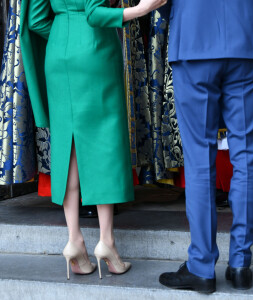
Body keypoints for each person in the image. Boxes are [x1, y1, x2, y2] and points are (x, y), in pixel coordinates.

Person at [20, 0, 166, 280]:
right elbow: (94, 12)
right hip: (94, 49)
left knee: (68, 146)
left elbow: (36, 20)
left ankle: (74, 239)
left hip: (59, 52)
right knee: (104, 145)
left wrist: (67, 34)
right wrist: (140, 10)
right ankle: (106, 242)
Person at [159, 0, 253, 293]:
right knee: (247, 157)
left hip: (194, 36)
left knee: (199, 159)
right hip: (248, 37)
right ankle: (240, 264)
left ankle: (201, 266)